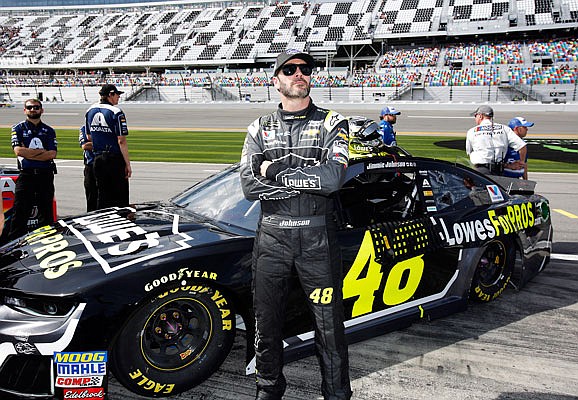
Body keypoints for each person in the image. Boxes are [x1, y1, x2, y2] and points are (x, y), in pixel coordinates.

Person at [239, 49, 351, 400]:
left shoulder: (333, 122)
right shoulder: (259, 128)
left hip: (317, 239)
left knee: (329, 328)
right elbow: (248, 186)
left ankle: (336, 395)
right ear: (276, 81)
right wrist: (306, 177)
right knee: (266, 325)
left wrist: (274, 171)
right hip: (272, 238)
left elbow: (333, 179)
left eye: (304, 69)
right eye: (289, 70)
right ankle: (268, 391)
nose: (298, 74)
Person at [9, 98, 57, 240]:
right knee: (20, 212)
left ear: (41, 110)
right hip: (27, 175)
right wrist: (42, 153)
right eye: (29, 107)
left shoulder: (49, 130)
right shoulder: (18, 128)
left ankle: (47, 243)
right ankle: (14, 246)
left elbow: (52, 154)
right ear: (25, 110)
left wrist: (28, 152)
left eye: (36, 107)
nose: (33, 110)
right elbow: (18, 151)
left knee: (46, 212)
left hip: (45, 175)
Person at [85, 84, 131, 209]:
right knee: (120, 197)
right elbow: (121, 140)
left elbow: (89, 136)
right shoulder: (116, 112)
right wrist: (127, 164)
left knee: (102, 195)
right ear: (110, 95)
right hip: (114, 159)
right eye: (117, 95)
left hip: (97, 158)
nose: (118, 98)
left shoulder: (90, 110)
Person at [465, 105, 526, 175]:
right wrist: (521, 162)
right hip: (499, 170)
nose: (475, 118)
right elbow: (522, 146)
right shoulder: (504, 128)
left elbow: (469, 152)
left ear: (480, 116)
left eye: (475, 116)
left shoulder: (472, 131)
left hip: (481, 170)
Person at [78, 125, 97, 211]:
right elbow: (85, 145)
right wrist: (104, 143)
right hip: (91, 166)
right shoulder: (84, 128)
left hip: (107, 165)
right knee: (91, 196)